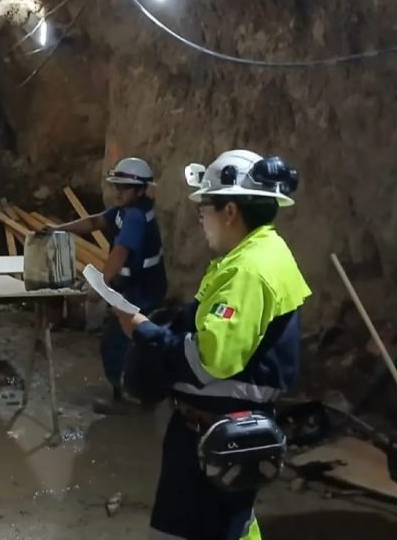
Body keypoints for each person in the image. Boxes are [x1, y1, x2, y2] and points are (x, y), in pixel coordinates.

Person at [114, 149, 308, 540]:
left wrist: (143, 331)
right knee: (234, 525)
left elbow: (209, 359)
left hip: (217, 432)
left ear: (230, 211)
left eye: (204, 207)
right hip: (231, 429)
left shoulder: (248, 270)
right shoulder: (261, 253)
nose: (201, 217)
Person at [50, 157, 167, 409]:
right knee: (136, 343)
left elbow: (121, 251)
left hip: (141, 291)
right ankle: (143, 396)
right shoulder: (125, 211)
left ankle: (126, 399)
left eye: (124, 188)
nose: (118, 192)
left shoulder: (135, 216)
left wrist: (100, 284)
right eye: (116, 186)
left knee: (117, 343)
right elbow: (95, 222)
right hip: (141, 287)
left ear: (140, 190)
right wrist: (59, 228)